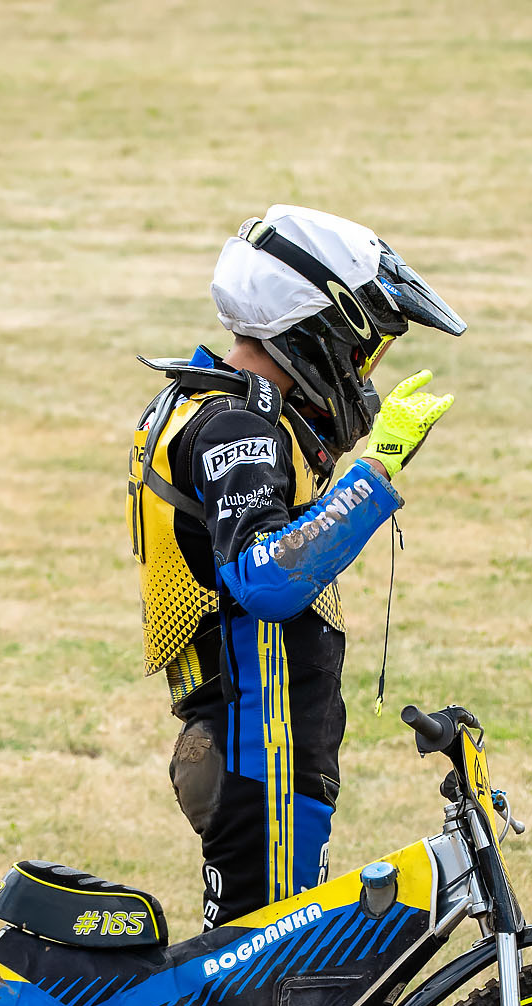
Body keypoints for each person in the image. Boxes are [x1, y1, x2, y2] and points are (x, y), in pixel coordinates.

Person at [128, 207, 466, 930]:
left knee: (254, 967)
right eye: (361, 351)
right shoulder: (235, 426)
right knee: (266, 984)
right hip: (261, 746)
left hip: (250, 744)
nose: (363, 373)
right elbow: (266, 577)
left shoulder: (217, 408)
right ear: (314, 331)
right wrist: (379, 470)